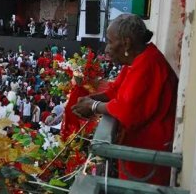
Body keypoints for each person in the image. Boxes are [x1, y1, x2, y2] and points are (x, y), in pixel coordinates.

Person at [72, 14, 178, 186]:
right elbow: (114, 91)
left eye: (110, 41)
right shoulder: (138, 60)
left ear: (126, 43)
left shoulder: (147, 64)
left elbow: (126, 109)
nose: (106, 48)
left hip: (148, 159)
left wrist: (94, 106)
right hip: (140, 155)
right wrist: (89, 100)